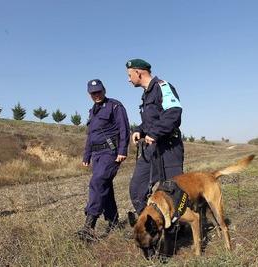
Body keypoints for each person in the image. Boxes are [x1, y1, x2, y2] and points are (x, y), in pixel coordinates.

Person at [125, 58, 184, 218]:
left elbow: (174, 112)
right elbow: (149, 121)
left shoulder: (162, 87)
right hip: (151, 149)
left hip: (169, 147)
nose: (128, 79)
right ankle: (151, 223)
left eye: (130, 75)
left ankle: (177, 227)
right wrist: (139, 130)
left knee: (172, 189)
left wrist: (155, 132)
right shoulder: (146, 95)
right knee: (137, 188)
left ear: (138, 72)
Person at [77, 79, 130, 241]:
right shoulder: (92, 111)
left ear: (104, 90)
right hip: (96, 155)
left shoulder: (115, 106)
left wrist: (122, 150)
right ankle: (113, 222)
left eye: (99, 91)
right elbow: (90, 136)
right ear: (89, 94)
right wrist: (87, 155)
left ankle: (89, 225)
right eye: (93, 93)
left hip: (110, 152)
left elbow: (124, 128)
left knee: (97, 182)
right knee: (105, 186)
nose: (97, 95)